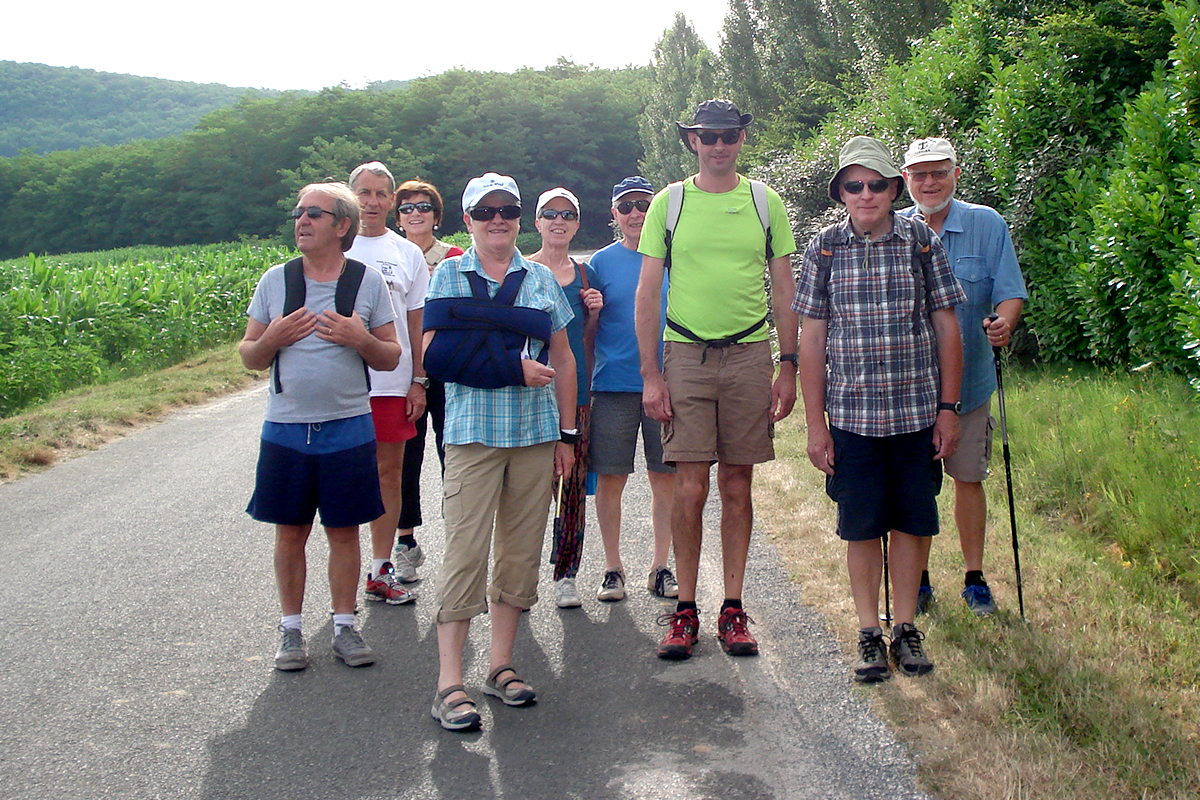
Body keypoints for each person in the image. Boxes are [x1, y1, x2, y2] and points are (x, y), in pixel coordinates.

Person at [793, 136, 966, 682]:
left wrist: (949, 408)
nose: (865, 194)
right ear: (840, 192)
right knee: (862, 527)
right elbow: (813, 339)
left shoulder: (921, 241)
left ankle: (906, 628)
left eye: (876, 184)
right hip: (852, 422)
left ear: (894, 188)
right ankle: (870, 631)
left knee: (915, 524)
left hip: (917, 415)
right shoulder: (823, 247)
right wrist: (815, 425)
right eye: (853, 184)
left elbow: (945, 326)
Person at [635, 100, 799, 660]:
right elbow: (647, 294)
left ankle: (733, 607)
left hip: (751, 356)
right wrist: (651, 375)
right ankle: (684, 609)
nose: (719, 145)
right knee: (690, 485)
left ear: (741, 139)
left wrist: (789, 364)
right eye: (708, 136)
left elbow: (784, 289)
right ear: (692, 142)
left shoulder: (764, 200)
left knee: (736, 483)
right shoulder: (670, 203)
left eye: (729, 135)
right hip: (685, 356)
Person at [426, 173, 577, 731]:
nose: (498, 219)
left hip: (535, 438)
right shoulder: (449, 273)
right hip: (473, 436)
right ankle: (448, 683)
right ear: (466, 220)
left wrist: (567, 435)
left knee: (519, 555)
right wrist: (509, 367)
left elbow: (563, 358)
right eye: (485, 210)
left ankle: (501, 665)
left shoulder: (539, 279)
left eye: (508, 209)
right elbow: (435, 355)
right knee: (465, 552)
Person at [240, 181, 401, 671]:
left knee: (344, 531)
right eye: (298, 213)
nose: (302, 221)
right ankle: (291, 632)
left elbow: (391, 355)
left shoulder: (365, 282)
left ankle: (344, 627)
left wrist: (360, 338)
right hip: (286, 428)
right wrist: (271, 338)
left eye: (314, 213)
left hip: (348, 426)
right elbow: (249, 356)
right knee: (290, 532)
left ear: (342, 225)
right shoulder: (276, 280)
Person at [898, 138, 1027, 616]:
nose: (930, 182)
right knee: (914, 487)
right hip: (909, 391)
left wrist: (1004, 322)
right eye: (920, 174)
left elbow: (1010, 291)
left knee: (968, 479)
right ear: (906, 180)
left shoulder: (986, 224)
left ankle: (974, 578)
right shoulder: (893, 229)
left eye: (939, 172)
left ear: (956, 173)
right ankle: (919, 580)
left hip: (970, 384)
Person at [588, 176, 677, 604]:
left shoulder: (673, 258)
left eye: (644, 204)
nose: (636, 214)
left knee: (666, 479)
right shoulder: (599, 264)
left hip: (668, 384)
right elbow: (584, 330)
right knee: (611, 478)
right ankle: (611, 567)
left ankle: (661, 566)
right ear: (614, 215)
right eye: (626, 207)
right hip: (613, 385)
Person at [345, 162, 428, 604]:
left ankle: (382, 568)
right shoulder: (334, 247)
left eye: (380, 193)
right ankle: (344, 574)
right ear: (351, 195)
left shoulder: (407, 254)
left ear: (392, 201)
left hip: (392, 383)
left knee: (389, 475)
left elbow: (416, 325)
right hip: (340, 387)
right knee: (342, 479)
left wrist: (418, 380)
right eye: (364, 192)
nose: (372, 202)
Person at [528, 187, 603, 608]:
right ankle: (519, 574)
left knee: (572, 488)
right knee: (529, 489)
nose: (559, 221)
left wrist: (593, 312)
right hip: (529, 395)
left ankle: (566, 573)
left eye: (568, 214)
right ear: (537, 222)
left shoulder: (585, 274)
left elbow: (586, 341)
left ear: (576, 223)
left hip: (576, 395)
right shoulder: (520, 270)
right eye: (550, 214)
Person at [391, 179, 464, 582]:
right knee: (405, 457)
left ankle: (459, 536)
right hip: (402, 371)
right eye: (406, 208)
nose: (414, 213)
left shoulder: (455, 257)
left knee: (453, 455)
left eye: (423, 207)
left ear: (437, 216)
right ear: (398, 217)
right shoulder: (390, 257)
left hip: (447, 370)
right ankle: (405, 541)